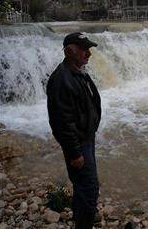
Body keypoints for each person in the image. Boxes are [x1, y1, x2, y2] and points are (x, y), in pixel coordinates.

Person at [46, 32, 101, 228]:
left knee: (82, 186)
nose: (89, 54)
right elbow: (61, 122)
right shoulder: (62, 79)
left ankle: (81, 218)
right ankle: (84, 223)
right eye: (84, 50)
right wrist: (74, 152)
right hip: (78, 144)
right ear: (70, 51)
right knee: (89, 187)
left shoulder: (76, 71)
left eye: (89, 49)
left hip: (85, 138)